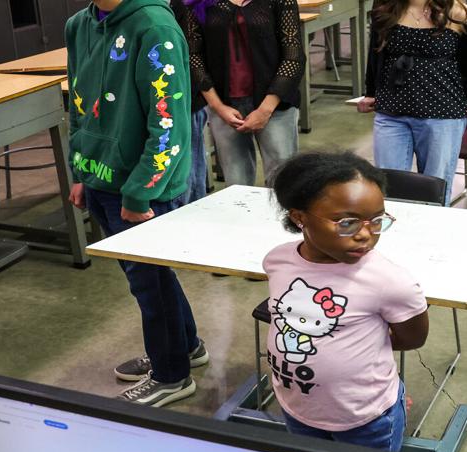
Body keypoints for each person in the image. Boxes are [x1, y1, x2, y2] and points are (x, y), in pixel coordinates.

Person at [67, 0, 204, 406]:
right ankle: (187, 346)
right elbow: (78, 103)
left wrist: (140, 189)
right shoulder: (79, 25)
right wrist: (81, 171)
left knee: (149, 285)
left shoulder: (154, 25)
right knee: (150, 277)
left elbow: (170, 122)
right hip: (100, 177)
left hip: (142, 187)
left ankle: (172, 375)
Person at [261, 151, 429, 452]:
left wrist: (355, 354)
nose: (365, 235)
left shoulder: (389, 281)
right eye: (347, 223)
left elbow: (413, 337)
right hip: (297, 406)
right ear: (299, 217)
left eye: (376, 221)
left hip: (365, 419)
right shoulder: (278, 260)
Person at [357, 0, 467, 206]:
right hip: (391, 114)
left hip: (441, 117)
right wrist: (372, 92)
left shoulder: (457, 12)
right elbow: (376, 53)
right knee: (387, 190)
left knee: (433, 193)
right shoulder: (387, 8)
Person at [184, 0, 303, 188]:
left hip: (274, 105)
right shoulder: (199, 2)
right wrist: (217, 106)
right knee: (236, 185)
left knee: (282, 183)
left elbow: (293, 57)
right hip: (224, 105)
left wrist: (265, 109)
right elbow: (193, 56)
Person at [169, 0, 213, 204]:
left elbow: (193, 54)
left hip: (188, 100)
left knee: (189, 177)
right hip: (171, 101)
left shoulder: (182, 8)